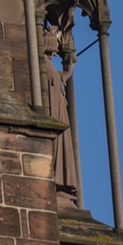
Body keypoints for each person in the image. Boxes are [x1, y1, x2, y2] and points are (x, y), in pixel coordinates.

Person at [43, 24, 79, 195]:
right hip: (55, 110)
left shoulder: (48, 64)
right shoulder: (45, 63)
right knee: (59, 145)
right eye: (54, 49)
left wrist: (70, 67)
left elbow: (60, 78)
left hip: (59, 110)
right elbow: (57, 78)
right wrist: (70, 66)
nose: (56, 53)